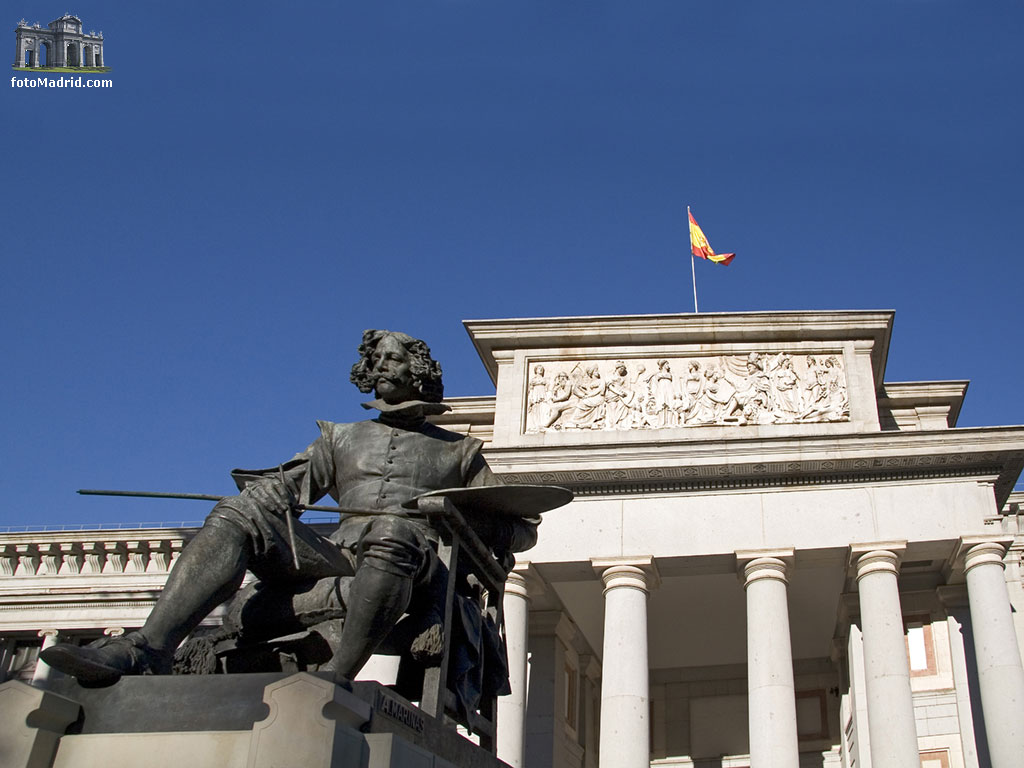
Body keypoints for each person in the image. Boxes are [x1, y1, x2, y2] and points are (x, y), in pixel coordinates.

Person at [43, 330, 538, 690]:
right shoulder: (340, 438)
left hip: (415, 564)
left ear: (420, 372)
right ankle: (147, 649)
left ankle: (335, 678)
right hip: (338, 555)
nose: (384, 366)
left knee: (391, 531)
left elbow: (521, 530)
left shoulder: (459, 452)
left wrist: (455, 513)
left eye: (396, 359)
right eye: (378, 360)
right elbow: (288, 485)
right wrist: (265, 497)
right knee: (237, 511)